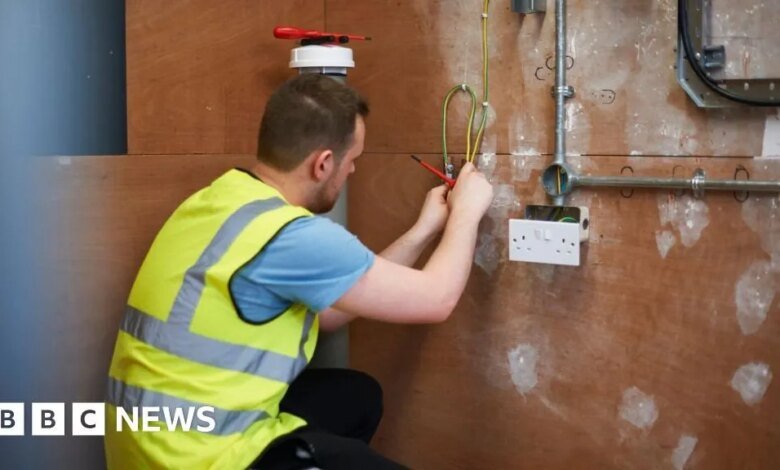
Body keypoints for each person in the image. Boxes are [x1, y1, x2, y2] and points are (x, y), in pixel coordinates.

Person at [104, 73, 493, 469]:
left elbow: (329, 312)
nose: (352, 171)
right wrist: (468, 209)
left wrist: (423, 231)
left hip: (148, 448)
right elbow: (437, 299)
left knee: (355, 397)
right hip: (201, 458)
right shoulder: (292, 237)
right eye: (352, 160)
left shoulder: (219, 201)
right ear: (323, 164)